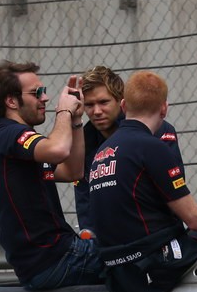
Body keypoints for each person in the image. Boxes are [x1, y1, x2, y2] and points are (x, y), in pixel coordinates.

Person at [88, 71, 197, 292]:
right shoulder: (153, 147)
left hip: (117, 272)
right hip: (150, 266)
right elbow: (194, 218)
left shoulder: (102, 151)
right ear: (164, 109)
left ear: (124, 105)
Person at [0, 60, 105, 290]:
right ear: (11, 101)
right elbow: (58, 149)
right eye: (37, 92)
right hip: (58, 259)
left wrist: (76, 120)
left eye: (44, 91)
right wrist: (64, 111)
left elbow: (73, 171)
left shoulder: (5, 145)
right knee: (139, 252)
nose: (45, 98)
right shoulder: (11, 135)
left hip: (45, 264)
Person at [73, 65, 180, 237]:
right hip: (109, 240)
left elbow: (173, 192)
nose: (96, 111)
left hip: (155, 231)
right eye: (89, 105)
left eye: (103, 102)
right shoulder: (84, 140)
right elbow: (84, 197)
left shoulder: (157, 129)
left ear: (120, 101)